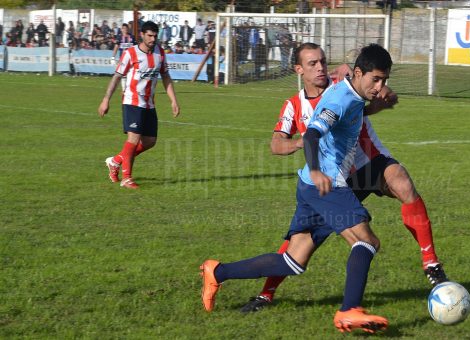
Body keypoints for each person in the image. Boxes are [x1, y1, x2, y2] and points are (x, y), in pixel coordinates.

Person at [239, 42, 448, 313]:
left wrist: (383, 98)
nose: (321, 68)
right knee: (302, 242)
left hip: (368, 160)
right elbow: (276, 145)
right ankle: (266, 293)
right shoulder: (293, 105)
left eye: (323, 62)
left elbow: (372, 91)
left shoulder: (342, 83)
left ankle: (430, 262)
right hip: (336, 178)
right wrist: (304, 143)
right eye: (313, 64)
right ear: (299, 70)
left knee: (402, 182)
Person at [200, 44, 394, 334]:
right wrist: (317, 171)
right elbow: (313, 135)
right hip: (324, 185)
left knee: (293, 262)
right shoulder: (340, 99)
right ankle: (349, 310)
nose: (380, 87)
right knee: (366, 241)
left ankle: (218, 271)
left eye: (384, 81)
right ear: (358, 73)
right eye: (376, 80)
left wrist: (374, 106)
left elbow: (348, 104)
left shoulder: (351, 94)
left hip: (309, 186)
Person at [98, 21, 180, 189]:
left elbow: (165, 77)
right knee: (133, 139)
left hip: (149, 104)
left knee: (150, 141)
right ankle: (126, 178)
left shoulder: (160, 53)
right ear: (142, 35)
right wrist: (106, 99)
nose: (152, 39)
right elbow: (116, 77)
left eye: (155, 36)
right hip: (132, 101)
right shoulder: (130, 53)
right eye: (149, 35)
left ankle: (116, 161)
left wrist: (173, 100)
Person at [111, 23, 136, 91]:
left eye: (126, 29)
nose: (125, 30)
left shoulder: (132, 37)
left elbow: (135, 47)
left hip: (131, 58)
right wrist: (113, 57)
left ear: (128, 29)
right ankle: (124, 89)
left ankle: (129, 87)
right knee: (123, 74)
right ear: (121, 29)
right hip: (122, 59)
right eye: (123, 29)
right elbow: (116, 47)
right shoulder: (119, 37)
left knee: (131, 73)